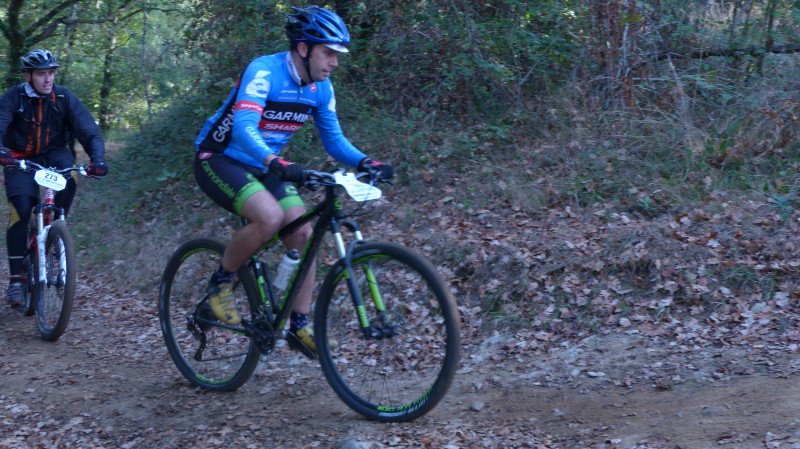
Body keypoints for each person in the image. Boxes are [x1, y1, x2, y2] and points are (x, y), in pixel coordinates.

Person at [194, 5, 393, 353]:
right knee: (269, 217)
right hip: (220, 158)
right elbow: (243, 127)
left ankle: (299, 327)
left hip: (267, 166)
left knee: (302, 233)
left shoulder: (321, 88)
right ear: (303, 48)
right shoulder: (264, 71)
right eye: (328, 53)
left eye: (337, 55)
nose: (334, 63)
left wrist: (366, 161)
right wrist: (275, 160)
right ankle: (220, 285)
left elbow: (334, 140)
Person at [0, 49, 108, 308]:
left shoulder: (63, 97)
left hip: (55, 153)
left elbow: (89, 131)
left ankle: (56, 228)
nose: (48, 79)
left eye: (51, 73)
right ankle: (16, 279)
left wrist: (98, 160)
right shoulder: (14, 97)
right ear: (28, 76)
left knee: (70, 176)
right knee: (21, 208)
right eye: (41, 74)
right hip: (19, 157)